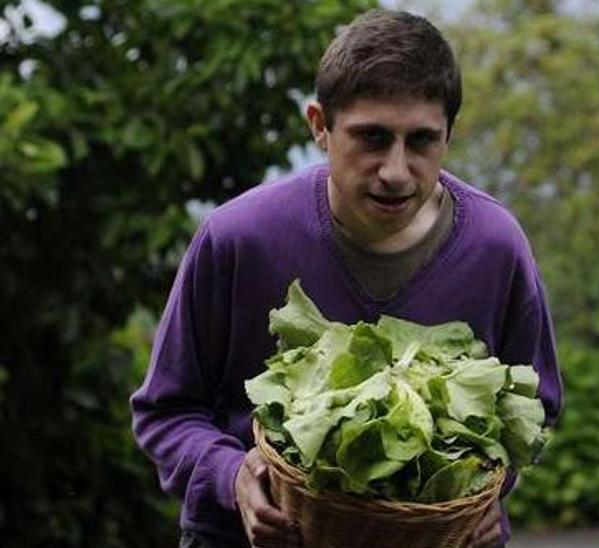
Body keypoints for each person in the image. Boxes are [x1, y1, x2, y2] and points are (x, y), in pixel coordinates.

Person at [130, 9, 563, 548]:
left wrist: (487, 493)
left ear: (450, 135)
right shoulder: (239, 237)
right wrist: (230, 476)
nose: (396, 171)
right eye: (372, 138)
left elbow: (532, 407)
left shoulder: (495, 246)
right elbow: (166, 410)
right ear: (319, 126)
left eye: (422, 141)